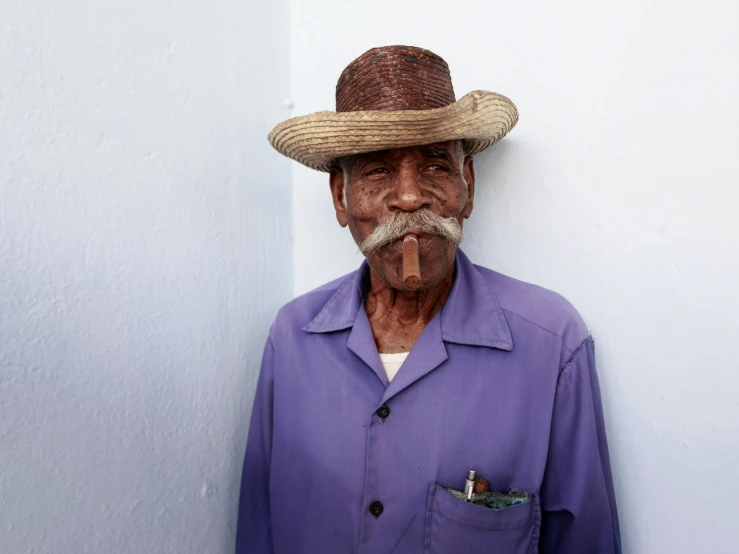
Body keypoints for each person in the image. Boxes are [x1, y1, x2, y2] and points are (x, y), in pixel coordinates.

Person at [236, 45, 621, 554]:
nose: (411, 197)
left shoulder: (551, 343)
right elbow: (258, 530)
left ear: (467, 185)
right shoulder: (292, 337)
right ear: (340, 199)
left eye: (436, 167)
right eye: (377, 171)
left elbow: (586, 540)